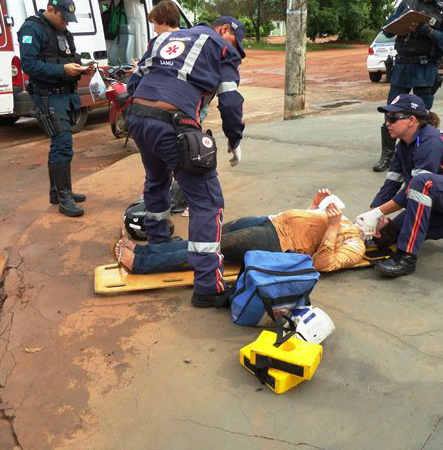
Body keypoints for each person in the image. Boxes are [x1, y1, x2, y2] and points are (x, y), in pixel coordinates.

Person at [126, 16, 246, 308]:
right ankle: (208, 287)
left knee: (157, 180)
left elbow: (134, 81)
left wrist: (146, 111)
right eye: (236, 43)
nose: (236, 50)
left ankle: (158, 242)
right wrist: (235, 137)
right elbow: (230, 100)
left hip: (138, 118)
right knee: (207, 202)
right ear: (225, 30)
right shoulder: (221, 47)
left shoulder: (165, 38)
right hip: (173, 124)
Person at [357, 94, 443, 278]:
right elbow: (392, 183)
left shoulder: (430, 141)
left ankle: (406, 257)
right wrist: (372, 218)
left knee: (422, 183)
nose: (387, 123)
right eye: (386, 118)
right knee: (392, 233)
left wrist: (378, 213)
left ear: (411, 120)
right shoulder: (403, 146)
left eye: (392, 118)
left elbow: (416, 187)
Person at [112, 189, 370, 275]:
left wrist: (334, 227)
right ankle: (146, 251)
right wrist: (315, 205)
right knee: (205, 240)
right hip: (271, 221)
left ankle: (143, 264)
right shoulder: (347, 220)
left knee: (208, 250)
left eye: (380, 220)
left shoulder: (356, 246)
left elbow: (323, 264)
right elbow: (309, 225)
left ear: (376, 235)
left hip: (276, 241)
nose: (375, 215)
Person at [372, 0, 443, 172]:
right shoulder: (408, 4)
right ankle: (388, 155)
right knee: (391, 112)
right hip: (402, 66)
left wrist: (428, 31)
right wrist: (402, 23)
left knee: (422, 115)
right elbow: (387, 29)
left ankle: (421, 156)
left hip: (425, 67)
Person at [18, 0, 94, 217]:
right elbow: (29, 65)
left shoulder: (62, 31)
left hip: (66, 95)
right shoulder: (32, 29)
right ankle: (64, 198)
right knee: (62, 145)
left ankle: (58, 191)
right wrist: (62, 71)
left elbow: (70, 57)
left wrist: (81, 68)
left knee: (59, 145)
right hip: (48, 97)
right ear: (50, 9)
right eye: (63, 17)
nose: (66, 22)